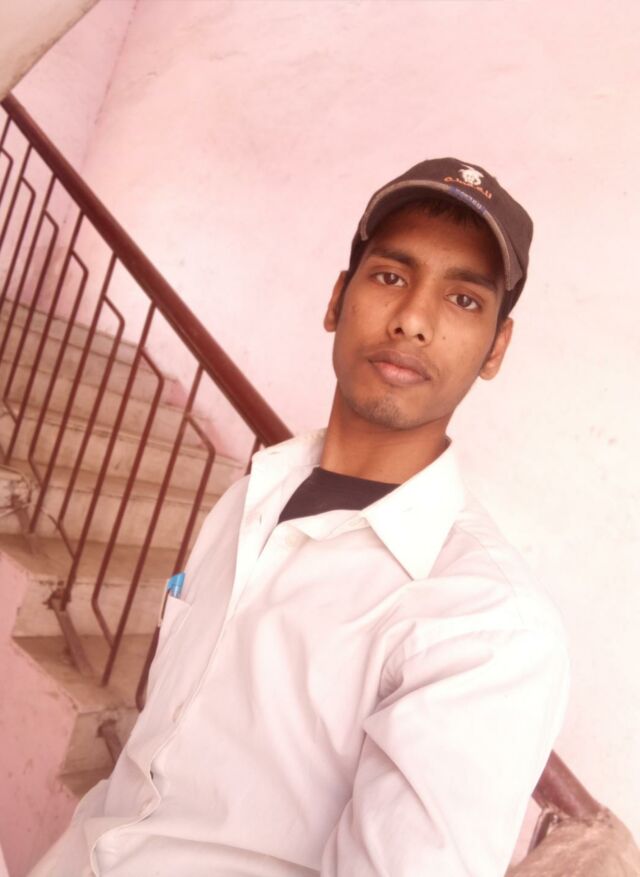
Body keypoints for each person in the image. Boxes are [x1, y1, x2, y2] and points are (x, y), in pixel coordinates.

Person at [30, 157, 570, 877]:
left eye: (464, 299)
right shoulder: (250, 496)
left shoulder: (485, 626)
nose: (413, 319)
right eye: (390, 276)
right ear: (337, 299)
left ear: (496, 348)